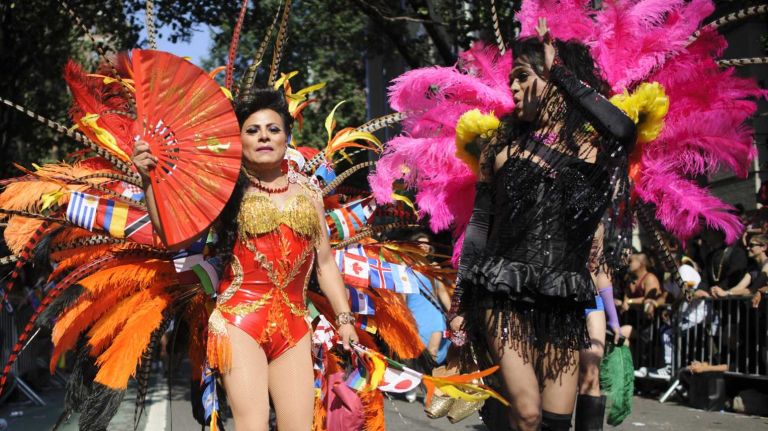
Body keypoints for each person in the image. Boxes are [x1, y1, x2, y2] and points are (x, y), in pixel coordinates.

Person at [131, 88, 358, 430]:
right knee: (252, 425)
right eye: (252, 130)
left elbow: (324, 263)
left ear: (287, 137)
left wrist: (344, 319)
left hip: (294, 326)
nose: (264, 136)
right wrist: (149, 182)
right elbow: (172, 234)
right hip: (240, 323)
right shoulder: (227, 189)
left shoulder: (310, 192)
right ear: (239, 140)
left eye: (273, 129)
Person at [449, 18, 636, 431]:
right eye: (510, 79)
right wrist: (461, 303)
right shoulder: (500, 145)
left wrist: (562, 73)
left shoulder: (593, 149)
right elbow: (480, 227)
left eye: (521, 77)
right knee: (528, 413)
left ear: (552, 79)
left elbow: (623, 128)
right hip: (504, 294)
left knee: (554, 422)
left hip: (564, 297)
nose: (511, 89)